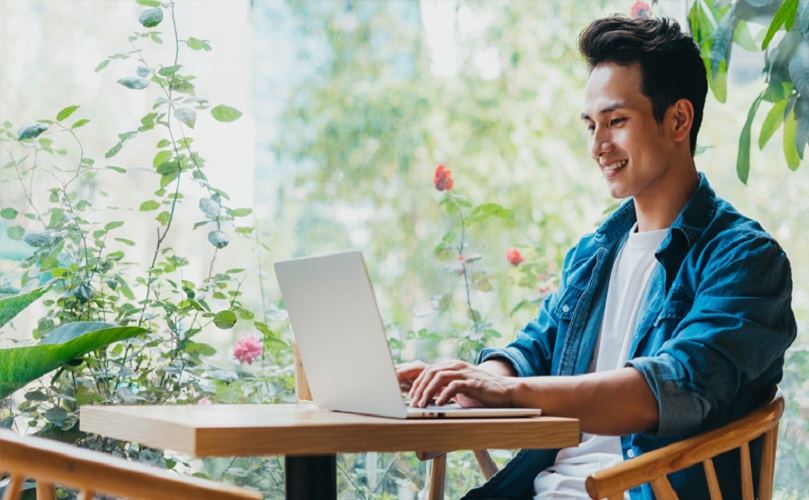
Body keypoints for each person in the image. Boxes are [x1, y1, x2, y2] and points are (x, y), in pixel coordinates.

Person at [397, 15, 796, 500]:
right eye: (590, 125)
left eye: (616, 121)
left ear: (678, 119)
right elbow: (534, 353)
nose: (597, 145)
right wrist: (475, 380)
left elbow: (672, 388)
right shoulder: (594, 254)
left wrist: (508, 393)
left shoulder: (744, 260)